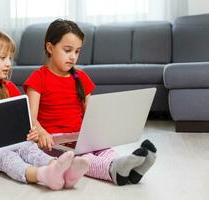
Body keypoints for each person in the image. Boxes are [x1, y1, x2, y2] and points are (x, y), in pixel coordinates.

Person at [0, 28, 90, 190]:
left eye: (10, 58)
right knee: (7, 157)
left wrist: (32, 132)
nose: (8, 63)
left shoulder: (9, 88)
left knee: (30, 148)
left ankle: (61, 169)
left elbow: (25, 123)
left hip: (11, 143)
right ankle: (43, 175)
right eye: (2, 58)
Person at [24, 19, 157, 186]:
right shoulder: (38, 78)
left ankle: (128, 170)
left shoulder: (81, 78)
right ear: (50, 48)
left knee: (104, 149)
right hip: (53, 143)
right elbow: (31, 117)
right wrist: (42, 132)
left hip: (81, 137)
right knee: (83, 158)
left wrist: (103, 130)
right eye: (67, 50)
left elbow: (91, 114)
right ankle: (114, 170)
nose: (73, 56)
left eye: (77, 51)